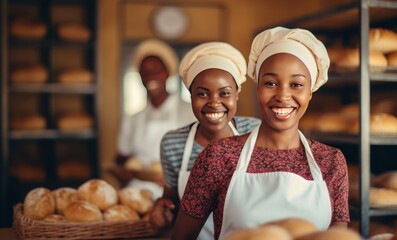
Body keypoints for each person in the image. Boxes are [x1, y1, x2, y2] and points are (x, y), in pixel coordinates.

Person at [171, 27, 350, 240]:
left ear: (310, 92)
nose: (283, 95)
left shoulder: (330, 161)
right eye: (271, 83)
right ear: (257, 88)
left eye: (296, 84)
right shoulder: (219, 156)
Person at [149, 42, 261, 239]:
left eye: (224, 93)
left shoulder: (254, 131)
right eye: (202, 94)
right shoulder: (173, 143)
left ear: (237, 94)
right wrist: (162, 206)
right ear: (191, 96)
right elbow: (171, 197)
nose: (214, 103)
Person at [110, 39, 196, 197]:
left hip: (179, 191)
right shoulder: (133, 117)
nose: (150, 76)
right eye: (144, 72)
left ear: (168, 72)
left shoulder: (190, 111)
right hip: (137, 191)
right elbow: (121, 158)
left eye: (156, 70)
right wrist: (120, 172)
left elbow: (203, 157)